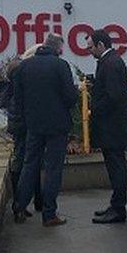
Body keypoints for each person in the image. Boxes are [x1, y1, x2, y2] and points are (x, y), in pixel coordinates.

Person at [11, 34, 79, 227]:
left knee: (29, 164)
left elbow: (18, 99)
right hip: (57, 125)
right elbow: (70, 97)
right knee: (53, 168)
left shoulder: (24, 67)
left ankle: (19, 206)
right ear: (58, 49)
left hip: (33, 124)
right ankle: (49, 214)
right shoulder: (61, 66)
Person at [87, 29, 127, 224]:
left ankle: (118, 208)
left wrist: (95, 107)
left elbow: (113, 95)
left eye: (90, 47)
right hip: (113, 126)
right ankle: (115, 205)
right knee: (115, 166)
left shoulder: (111, 64)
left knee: (116, 167)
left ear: (100, 45)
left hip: (112, 126)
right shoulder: (110, 61)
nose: (89, 51)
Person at [0, 48, 43, 217]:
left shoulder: (9, 90)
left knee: (25, 161)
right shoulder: (18, 91)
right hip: (25, 128)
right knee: (27, 162)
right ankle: (21, 203)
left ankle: (23, 202)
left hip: (19, 128)